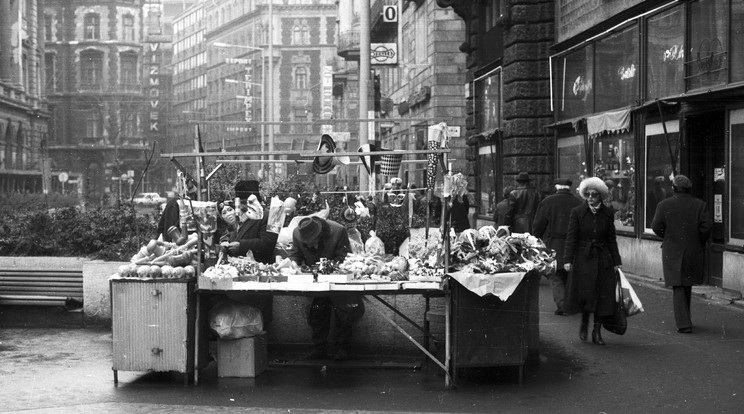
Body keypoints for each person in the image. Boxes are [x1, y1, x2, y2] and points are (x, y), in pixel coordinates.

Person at [288, 216, 364, 361]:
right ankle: (319, 348)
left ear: (320, 234)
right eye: (307, 242)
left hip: (337, 277)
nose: (310, 244)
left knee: (343, 312)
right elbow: (295, 254)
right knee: (317, 312)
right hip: (315, 281)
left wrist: (328, 269)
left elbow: (344, 257)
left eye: (312, 241)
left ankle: (342, 348)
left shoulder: (338, 231)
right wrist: (293, 264)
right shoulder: (298, 233)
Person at [564, 177, 622, 346]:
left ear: (600, 196)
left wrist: (616, 261)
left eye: (594, 194)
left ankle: (597, 331)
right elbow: (571, 238)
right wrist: (567, 259)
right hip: (584, 258)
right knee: (585, 293)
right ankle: (584, 322)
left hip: (603, 259)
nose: (590, 197)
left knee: (602, 296)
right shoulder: (577, 212)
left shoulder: (608, 213)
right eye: (587, 194)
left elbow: (611, 238)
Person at [651, 175, 712, 334]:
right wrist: (697, 241)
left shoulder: (664, 205)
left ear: (673, 188)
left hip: (672, 250)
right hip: (693, 250)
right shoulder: (700, 205)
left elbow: (656, 226)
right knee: (687, 283)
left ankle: (684, 323)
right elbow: (706, 228)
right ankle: (686, 318)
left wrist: (668, 236)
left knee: (678, 284)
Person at [533, 178, 583, 315]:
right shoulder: (579, 203)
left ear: (556, 187)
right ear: (569, 188)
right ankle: (570, 303)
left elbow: (538, 225)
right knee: (568, 274)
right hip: (573, 245)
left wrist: (535, 239)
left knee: (555, 275)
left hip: (553, 243)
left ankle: (563, 305)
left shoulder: (547, 202)